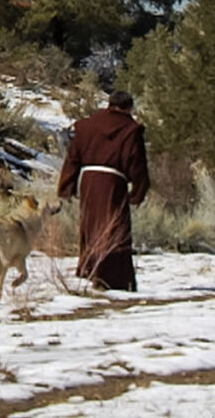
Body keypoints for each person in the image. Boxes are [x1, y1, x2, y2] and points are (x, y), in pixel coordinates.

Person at [57, 90, 149, 291]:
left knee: (91, 227)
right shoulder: (131, 130)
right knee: (114, 228)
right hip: (114, 183)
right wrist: (138, 192)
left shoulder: (87, 126)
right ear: (129, 108)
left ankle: (93, 270)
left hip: (89, 181)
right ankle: (114, 278)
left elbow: (73, 158)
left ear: (109, 104)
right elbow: (137, 164)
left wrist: (67, 187)